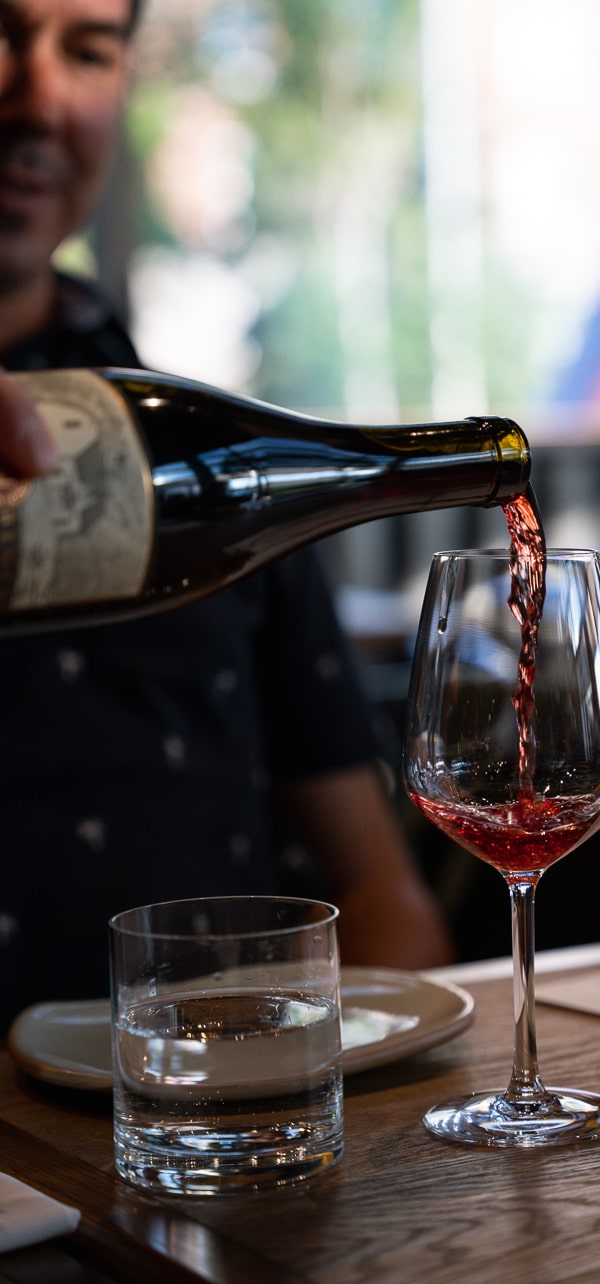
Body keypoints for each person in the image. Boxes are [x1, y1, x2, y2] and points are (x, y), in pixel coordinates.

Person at [0, 0, 453, 1032]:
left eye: (89, 50)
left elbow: (381, 896)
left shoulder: (202, 457)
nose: (41, 101)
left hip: (224, 1110)